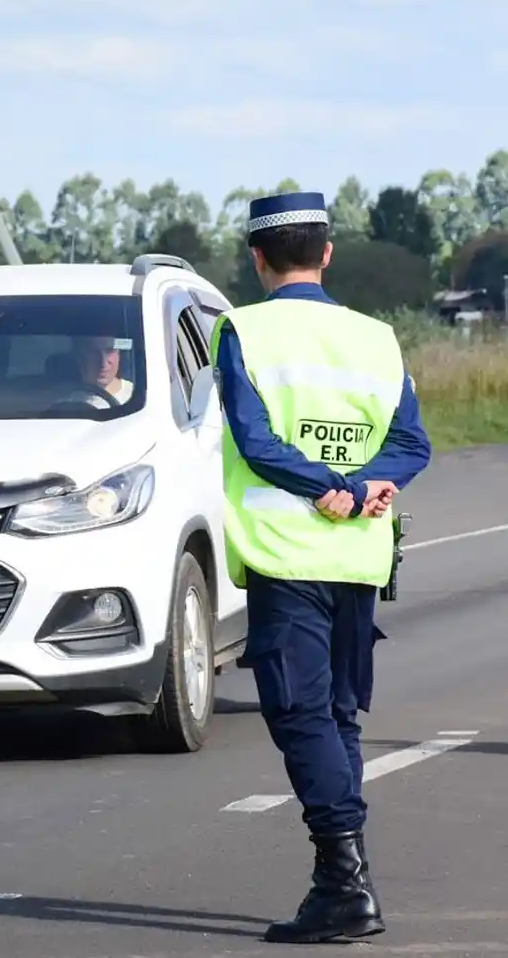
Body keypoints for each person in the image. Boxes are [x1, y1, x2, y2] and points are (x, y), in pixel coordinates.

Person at [211, 191, 432, 946]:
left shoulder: (242, 328)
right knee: (334, 716)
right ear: (327, 252)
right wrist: (370, 479)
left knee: (300, 714)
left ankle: (345, 880)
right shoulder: (377, 337)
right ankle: (345, 879)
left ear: (257, 256)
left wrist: (328, 488)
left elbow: (254, 439)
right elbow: (412, 442)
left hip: (290, 549)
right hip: (362, 554)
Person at [72, 335, 134, 403]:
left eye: (109, 350)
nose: (103, 363)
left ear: (119, 354)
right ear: (81, 358)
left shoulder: (135, 395)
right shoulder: (69, 402)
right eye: (94, 352)